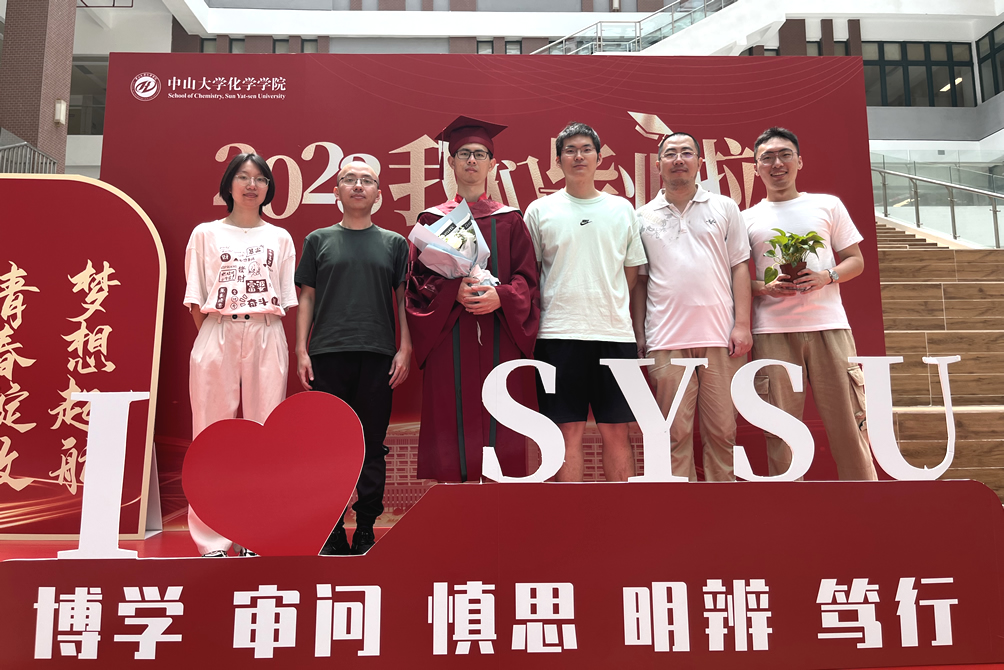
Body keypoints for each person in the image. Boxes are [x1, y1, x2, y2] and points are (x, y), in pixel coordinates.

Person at [406, 115, 540, 482]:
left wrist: (501, 297)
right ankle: (456, 508)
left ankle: (502, 509)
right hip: (450, 338)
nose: (471, 161)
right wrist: (453, 292)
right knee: (451, 424)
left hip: (499, 337)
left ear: (492, 163)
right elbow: (416, 285)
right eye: (464, 153)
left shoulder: (510, 220)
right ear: (451, 162)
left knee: (502, 421)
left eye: (480, 154)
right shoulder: (432, 220)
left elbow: (528, 280)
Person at [744, 126, 876, 480]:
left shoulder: (827, 205)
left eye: (784, 155)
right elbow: (736, 280)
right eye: (767, 158)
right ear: (756, 167)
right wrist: (765, 287)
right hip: (772, 332)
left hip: (829, 327)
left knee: (850, 423)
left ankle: (865, 500)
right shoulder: (746, 219)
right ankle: (790, 506)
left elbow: (856, 261)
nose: (777, 163)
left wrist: (826, 276)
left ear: (799, 161)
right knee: (781, 432)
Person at [183, 152, 297, 557]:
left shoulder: (280, 238)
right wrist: (221, 332)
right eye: (244, 177)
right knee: (210, 437)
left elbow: (286, 297)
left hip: (267, 331)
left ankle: (255, 535)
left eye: (260, 178)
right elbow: (196, 300)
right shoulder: (205, 234)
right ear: (228, 185)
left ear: (269, 188)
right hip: (217, 330)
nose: (252, 185)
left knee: (265, 437)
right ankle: (212, 539)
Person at [295, 161, 411, 555]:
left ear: (379, 194)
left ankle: (364, 528)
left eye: (367, 181)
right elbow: (307, 297)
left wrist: (405, 347)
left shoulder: (394, 243)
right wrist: (301, 349)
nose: (358, 185)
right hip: (327, 354)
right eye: (349, 179)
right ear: (336, 192)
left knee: (372, 445)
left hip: (378, 356)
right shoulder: (318, 240)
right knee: (327, 448)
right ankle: (331, 528)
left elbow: (403, 300)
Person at [524, 122, 647, 482]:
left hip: (614, 335)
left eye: (586, 149)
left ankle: (621, 513)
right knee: (567, 433)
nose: (579, 156)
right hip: (558, 336)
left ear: (599, 157)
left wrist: (606, 300)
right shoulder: (539, 210)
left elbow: (631, 273)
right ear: (558, 160)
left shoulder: (622, 209)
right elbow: (531, 272)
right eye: (570, 150)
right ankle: (570, 514)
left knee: (618, 431)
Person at [631, 132, 751, 481]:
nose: (678, 159)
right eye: (670, 154)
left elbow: (740, 266)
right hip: (665, 339)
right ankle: (678, 506)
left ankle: (720, 507)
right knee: (673, 434)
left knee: (723, 432)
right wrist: (640, 333)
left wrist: (742, 325)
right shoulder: (641, 216)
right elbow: (640, 280)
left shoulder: (724, 207)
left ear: (700, 162)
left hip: (720, 338)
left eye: (686, 153)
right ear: (658, 165)